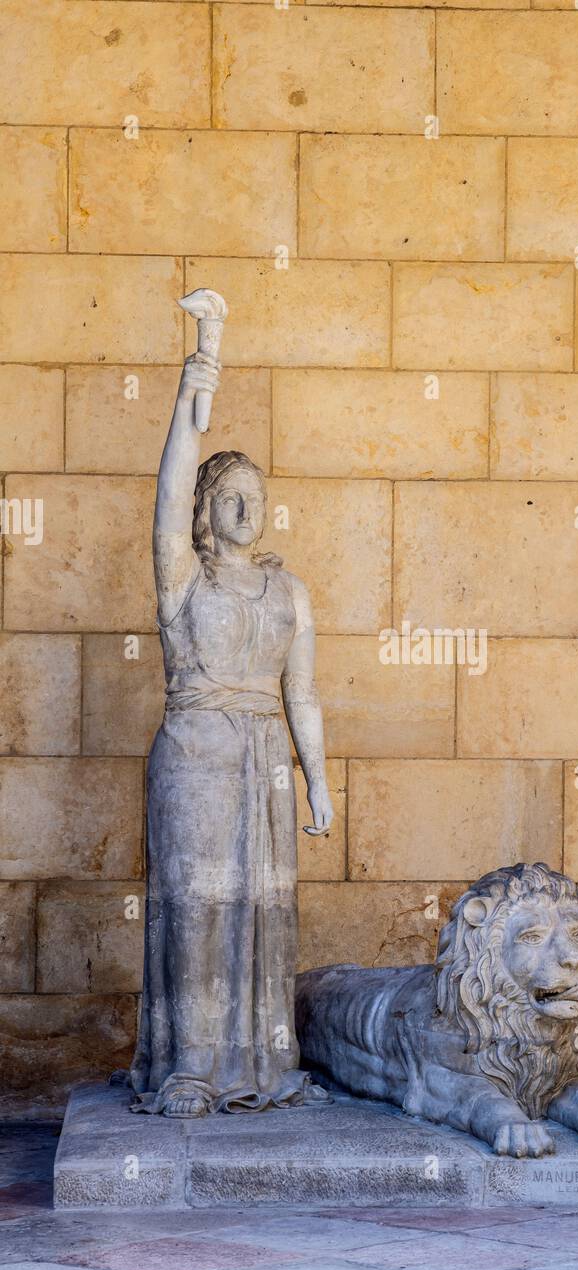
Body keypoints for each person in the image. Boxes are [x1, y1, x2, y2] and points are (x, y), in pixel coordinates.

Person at [130, 350, 333, 1117]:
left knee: (261, 908)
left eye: (256, 495)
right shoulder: (184, 577)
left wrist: (317, 777)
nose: (246, 508)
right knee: (196, 906)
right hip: (195, 753)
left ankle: (265, 1061)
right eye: (230, 496)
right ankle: (191, 1066)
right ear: (206, 509)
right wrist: (194, 387)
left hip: (264, 757)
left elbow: (302, 693)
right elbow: (169, 485)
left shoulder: (290, 591)